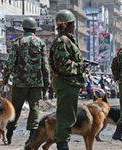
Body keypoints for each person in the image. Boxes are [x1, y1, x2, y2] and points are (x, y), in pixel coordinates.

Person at [2, 17, 49, 145]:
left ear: (23, 28)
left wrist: (5, 79)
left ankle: (9, 133)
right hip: (36, 82)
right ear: (35, 29)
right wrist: (46, 82)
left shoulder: (18, 42)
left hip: (20, 82)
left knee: (15, 108)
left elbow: (10, 63)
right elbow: (45, 65)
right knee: (34, 108)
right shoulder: (40, 43)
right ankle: (32, 135)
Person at [49, 10, 87, 150]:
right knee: (66, 115)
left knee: (67, 114)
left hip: (69, 83)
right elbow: (63, 65)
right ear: (67, 25)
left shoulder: (66, 40)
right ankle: (62, 144)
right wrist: (80, 67)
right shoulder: (62, 41)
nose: (74, 27)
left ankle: (62, 141)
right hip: (66, 83)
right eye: (72, 24)